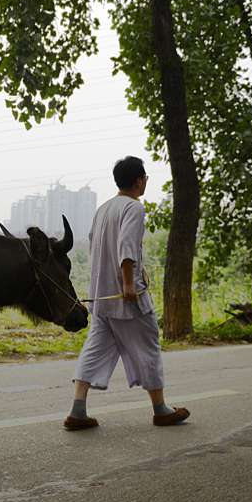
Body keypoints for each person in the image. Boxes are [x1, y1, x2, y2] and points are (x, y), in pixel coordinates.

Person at [64, 156, 189, 430]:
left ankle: (78, 410)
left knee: (94, 350)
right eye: (145, 178)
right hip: (126, 299)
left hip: (101, 298)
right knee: (149, 347)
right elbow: (127, 248)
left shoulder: (104, 209)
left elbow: (96, 248)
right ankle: (161, 409)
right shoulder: (134, 208)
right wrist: (129, 285)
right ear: (139, 180)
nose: (145, 183)